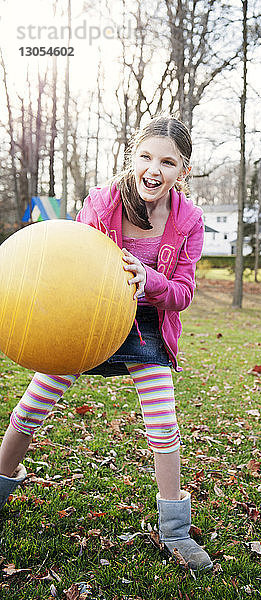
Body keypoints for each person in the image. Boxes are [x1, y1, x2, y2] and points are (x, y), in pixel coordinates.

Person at [0, 116, 213, 572]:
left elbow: (183, 294)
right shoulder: (101, 203)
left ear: (183, 171)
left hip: (146, 329)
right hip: (86, 320)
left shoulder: (189, 220)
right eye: (146, 157)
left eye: (168, 162)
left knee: (164, 426)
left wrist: (148, 279)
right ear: (133, 157)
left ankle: (174, 532)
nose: (154, 170)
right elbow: (67, 266)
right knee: (30, 410)